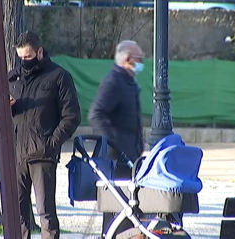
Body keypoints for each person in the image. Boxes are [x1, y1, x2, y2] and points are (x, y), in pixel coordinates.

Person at [8, 31, 81, 239]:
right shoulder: (13, 77)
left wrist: (51, 143)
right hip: (16, 154)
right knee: (17, 213)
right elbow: (1, 115)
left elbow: (72, 116)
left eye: (28, 57)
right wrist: (6, 108)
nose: (24, 62)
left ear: (39, 52)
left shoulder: (58, 77)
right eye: (20, 57)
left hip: (43, 154)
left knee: (46, 214)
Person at [88, 40, 145, 237]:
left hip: (131, 157)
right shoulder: (114, 81)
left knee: (130, 207)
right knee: (117, 208)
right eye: (140, 59)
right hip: (117, 158)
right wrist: (114, 141)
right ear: (128, 60)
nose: (142, 62)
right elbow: (96, 114)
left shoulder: (129, 82)